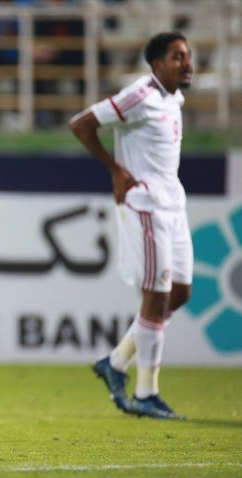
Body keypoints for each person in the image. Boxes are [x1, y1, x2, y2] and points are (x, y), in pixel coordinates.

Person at [69, 32, 194, 420]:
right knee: (155, 297)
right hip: (147, 205)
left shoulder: (174, 98)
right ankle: (145, 393)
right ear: (157, 64)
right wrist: (116, 170)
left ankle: (116, 362)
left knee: (180, 293)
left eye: (188, 55)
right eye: (177, 57)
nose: (187, 63)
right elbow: (81, 124)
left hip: (174, 204)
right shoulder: (140, 95)